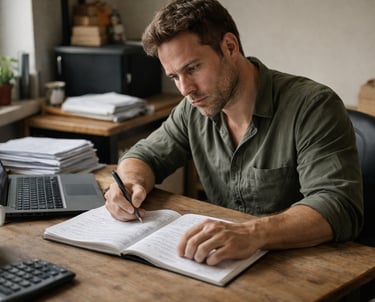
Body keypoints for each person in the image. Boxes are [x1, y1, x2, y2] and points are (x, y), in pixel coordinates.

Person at [105, 0, 363, 266]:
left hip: (305, 268)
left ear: (229, 46)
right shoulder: (192, 110)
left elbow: (339, 206)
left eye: (193, 69)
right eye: (174, 77)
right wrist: (130, 183)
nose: (185, 89)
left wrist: (252, 233)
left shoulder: (313, 106)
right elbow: (146, 155)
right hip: (223, 264)